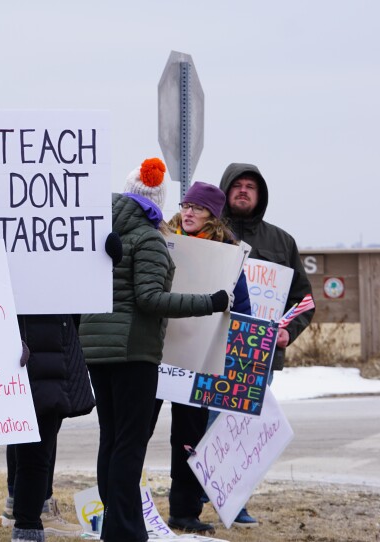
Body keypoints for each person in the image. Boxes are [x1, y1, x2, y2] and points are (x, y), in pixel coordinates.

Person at [0, 155, 113, 542]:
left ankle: (29, 528)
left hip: (46, 353)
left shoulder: (57, 234)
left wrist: (104, 255)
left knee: (37, 452)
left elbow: (85, 288)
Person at [77, 158, 231, 542]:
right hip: (133, 351)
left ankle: (115, 523)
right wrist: (210, 302)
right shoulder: (147, 238)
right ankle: (125, 530)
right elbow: (151, 299)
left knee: (111, 439)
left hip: (98, 349)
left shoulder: (100, 230)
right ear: (157, 200)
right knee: (128, 443)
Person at [150, 182, 251, 535]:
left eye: (198, 207)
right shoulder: (162, 240)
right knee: (138, 429)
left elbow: (242, 307)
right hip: (157, 350)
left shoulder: (228, 252)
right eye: (186, 205)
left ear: (213, 214)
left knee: (189, 436)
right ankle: (127, 502)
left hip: (199, 358)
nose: (189, 212)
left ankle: (185, 511)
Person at [218, 163, 315, 527]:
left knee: (244, 434)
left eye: (250, 187)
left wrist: (289, 330)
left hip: (259, 358)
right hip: (211, 352)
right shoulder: (212, 235)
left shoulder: (281, 242)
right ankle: (198, 499)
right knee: (207, 430)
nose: (243, 191)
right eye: (237, 185)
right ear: (226, 190)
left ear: (260, 195)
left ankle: (236, 503)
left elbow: (304, 300)